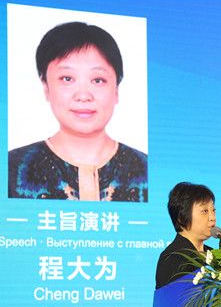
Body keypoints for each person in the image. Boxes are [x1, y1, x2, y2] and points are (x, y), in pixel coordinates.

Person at [9, 22, 147, 201]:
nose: (83, 96)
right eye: (67, 78)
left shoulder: (148, 169)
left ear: (116, 90)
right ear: (46, 87)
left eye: (98, 80)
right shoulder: (10, 168)